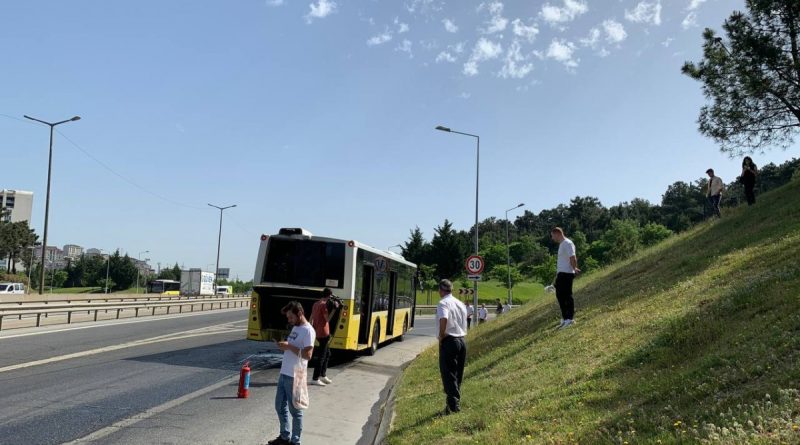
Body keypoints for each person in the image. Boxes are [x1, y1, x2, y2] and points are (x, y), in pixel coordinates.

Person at [268, 302, 315, 445]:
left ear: (299, 314)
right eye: (288, 317)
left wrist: (289, 346)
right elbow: (292, 347)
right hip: (284, 372)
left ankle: (295, 441)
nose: (289, 320)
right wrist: (284, 346)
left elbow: (308, 355)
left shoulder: (308, 331)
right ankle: (284, 436)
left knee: (295, 410)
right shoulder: (296, 327)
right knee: (279, 406)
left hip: (296, 374)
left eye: (291, 317)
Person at [435, 279, 467, 415]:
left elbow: (444, 319)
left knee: (448, 374)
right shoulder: (460, 303)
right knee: (457, 374)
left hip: (450, 340)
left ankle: (454, 406)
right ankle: (451, 405)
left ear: (441, 290)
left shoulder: (443, 303)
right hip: (461, 340)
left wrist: (441, 336)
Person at [551, 227, 581, 329]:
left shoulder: (568, 243)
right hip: (561, 273)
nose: (552, 238)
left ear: (557, 234)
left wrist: (574, 268)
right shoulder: (562, 244)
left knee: (567, 295)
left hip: (567, 273)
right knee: (560, 296)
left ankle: (570, 319)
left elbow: (572, 257)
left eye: (552, 235)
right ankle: (565, 319)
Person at [310, 288, 339, 386]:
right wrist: (334, 309)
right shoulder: (323, 305)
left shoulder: (315, 304)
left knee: (327, 354)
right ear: (329, 295)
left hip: (317, 332)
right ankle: (315, 378)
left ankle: (323, 375)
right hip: (324, 333)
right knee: (322, 356)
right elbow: (327, 319)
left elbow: (311, 318)